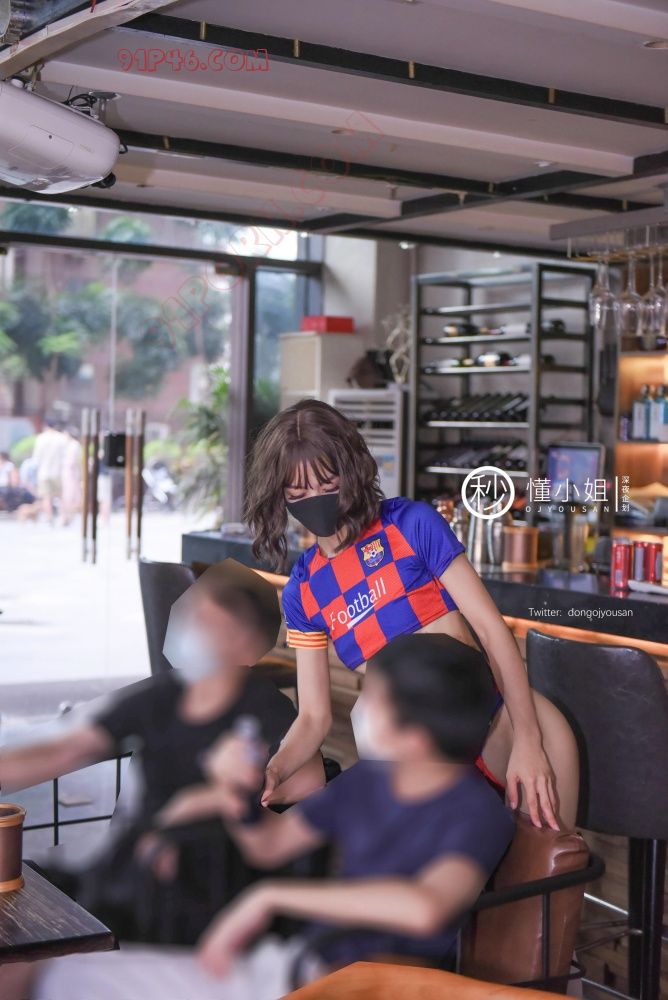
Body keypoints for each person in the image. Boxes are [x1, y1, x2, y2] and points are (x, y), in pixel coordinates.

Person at [2, 633, 517, 1000]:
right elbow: (269, 845)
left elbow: (426, 907)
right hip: (290, 970)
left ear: (414, 735)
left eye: (371, 699)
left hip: (365, 986)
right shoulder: (368, 781)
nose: (359, 710)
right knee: (30, 976)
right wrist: (242, 794)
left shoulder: (476, 811)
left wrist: (270, 897)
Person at [244, 399, 579, 829]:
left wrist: (530, 742)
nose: (315, 500)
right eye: (298, 493)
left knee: (548, 867)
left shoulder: (409, 525)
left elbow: (492, 632)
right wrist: (275, 768)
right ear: (280, 496)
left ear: (350, 470)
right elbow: (313, 716)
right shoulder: (303, 592)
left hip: (504, 725)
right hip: (415, 756)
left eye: (327, 483)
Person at [0, 562, 324, 945]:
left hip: (195, 895)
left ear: (244, 641)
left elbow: (310, 780)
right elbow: (69, 748)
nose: (189, 629)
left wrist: (219, 794)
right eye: (191, 615)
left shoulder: (262, 709)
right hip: (126, 874)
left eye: (206, 622)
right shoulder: (164, 695)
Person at [32, 418, 66, 522]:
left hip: (44, 472)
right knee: (61, 496)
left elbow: (36, 458)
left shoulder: (41, 438)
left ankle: (49, 517)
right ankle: (63, 517)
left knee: (46, 496)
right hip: (58, 472)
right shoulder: (61, 438)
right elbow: (65, 456)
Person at [60, 426, 83, 526]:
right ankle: (67, 517)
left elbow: (72, 462)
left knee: (69, 496)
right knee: (69, 496)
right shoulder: (71, 445)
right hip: (70, 473)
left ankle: (68, 517)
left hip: (70, 473)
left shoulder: (73, 445)